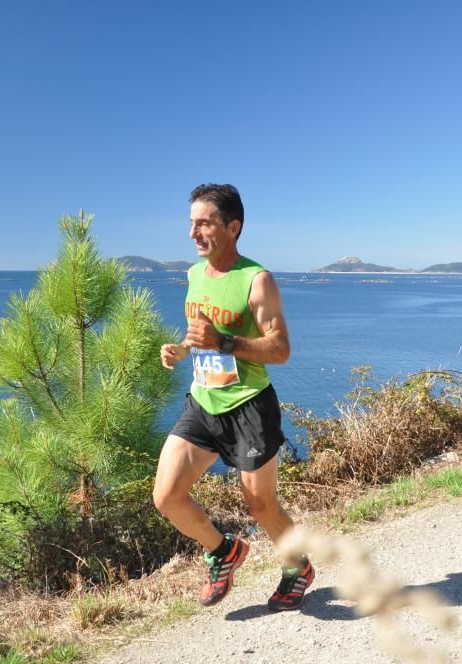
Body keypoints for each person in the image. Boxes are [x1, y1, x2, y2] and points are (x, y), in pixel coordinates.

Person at [154, 183, 314, 611]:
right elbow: (198, 334)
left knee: (261, 505)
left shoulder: (256, 280)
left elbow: (279, 349)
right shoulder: (193, 276)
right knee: (166, 496)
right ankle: (225, 552)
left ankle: (298, 566)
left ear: (232, 227)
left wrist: (224, 342)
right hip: (203, 403)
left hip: (248, 407)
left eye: (204, 223)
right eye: (191, 223)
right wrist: (180, 349)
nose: (193, 232)